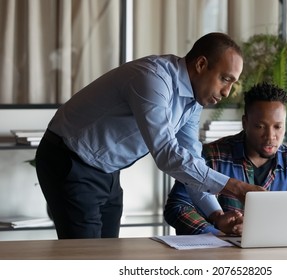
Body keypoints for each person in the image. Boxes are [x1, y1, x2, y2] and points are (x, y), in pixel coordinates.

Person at [35, 32, 263, 239]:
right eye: (225, 79)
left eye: (232, 83)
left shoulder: (192, 102)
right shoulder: (152, 79)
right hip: (69, 159)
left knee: (106, 253)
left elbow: (190, 161)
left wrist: (216, 215)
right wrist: (237, 187)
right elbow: (167, 154)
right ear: (201, 64)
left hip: (106, 169)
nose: (227, 92)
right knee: (85, 259)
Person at [164, 82, 287, 238]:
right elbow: (177, 206)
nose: (270, 136)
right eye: (260, 126)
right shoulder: (211, 156)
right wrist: (215, 231)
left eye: (278, 127)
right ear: (245, 123)